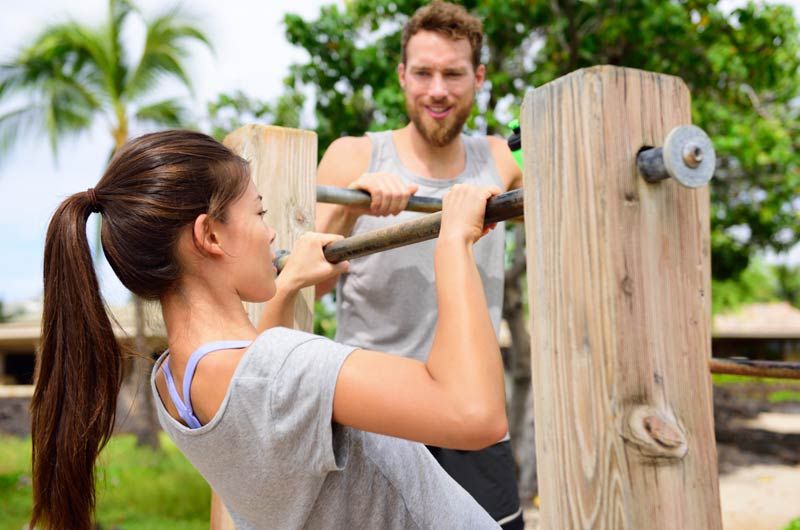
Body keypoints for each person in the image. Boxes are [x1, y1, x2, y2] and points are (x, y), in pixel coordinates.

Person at [30, 129, 509, 530]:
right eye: (259, 213)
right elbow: (474, 414)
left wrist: (288, 285)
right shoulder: (277, 370)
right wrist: (453, 243)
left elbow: (262, 397)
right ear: (210, 235)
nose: (272, 232)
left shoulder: (174, 381)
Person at [316, 2, 525, 528]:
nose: (438, 90)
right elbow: (296, 286)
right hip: (376, 413)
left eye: (454, 73)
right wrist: (349, 205)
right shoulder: (353, 155)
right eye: (424, 73)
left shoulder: (501, 160)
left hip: (472, 414)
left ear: (477, 78)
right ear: (402, 75)